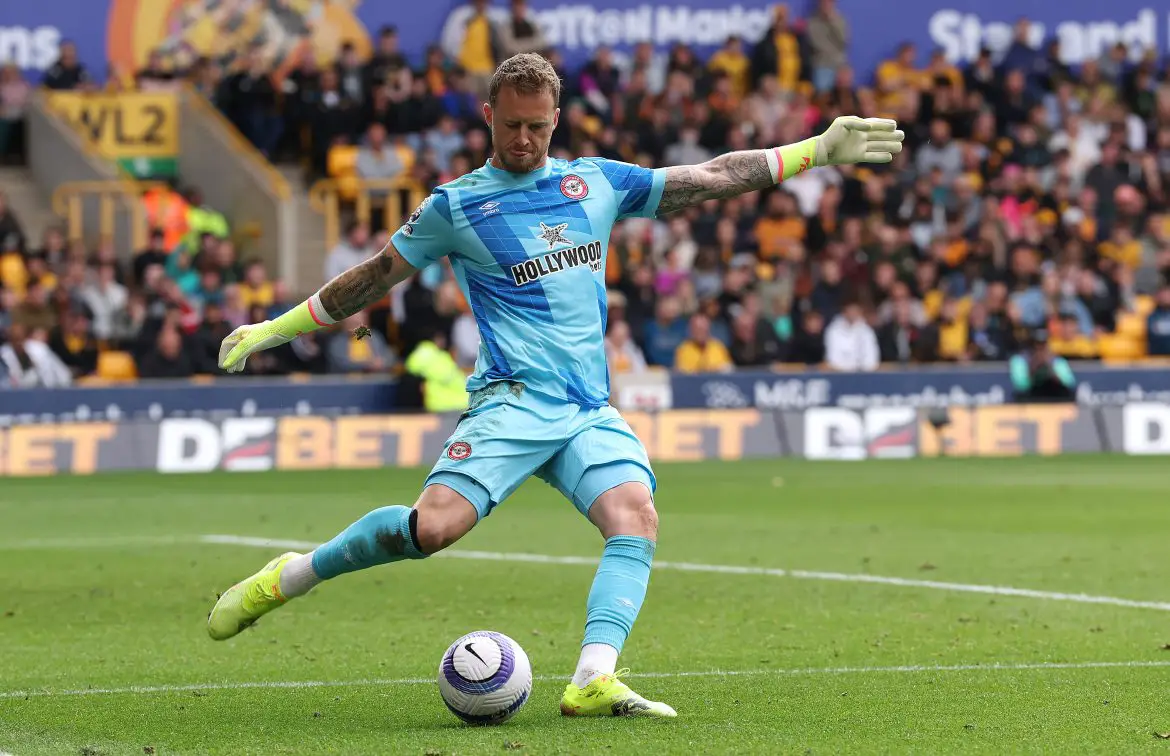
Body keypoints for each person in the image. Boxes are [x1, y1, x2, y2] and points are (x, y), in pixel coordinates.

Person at [207, 52, 902, 718]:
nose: (523, 137)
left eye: (537, 125)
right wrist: (273, 330)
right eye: (510, 124)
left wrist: (814, 149)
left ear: (556, 119)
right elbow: (374, 276)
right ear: (487, 115)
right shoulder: (457, 206)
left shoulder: (594, 183)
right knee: (431, 530)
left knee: (635, 516)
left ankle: (594, 678)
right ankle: (293, 575)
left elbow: (712, 176)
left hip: (584, 411)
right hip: (509, 404)